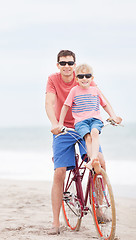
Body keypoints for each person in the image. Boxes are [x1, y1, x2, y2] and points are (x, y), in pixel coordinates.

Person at [45, 50, 121, 235]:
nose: (67, 66)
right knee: (59, 172)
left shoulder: (82, 76)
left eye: (70, 62)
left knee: (99, 161)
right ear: (58, 65)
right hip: (64, 130)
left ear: (74, 64)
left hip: (84, 127)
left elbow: (101, 98)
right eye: (63, 63)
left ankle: (99, 207)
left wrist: (113, 116)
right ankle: (56, 222)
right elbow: (49, 103)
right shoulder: (53, 79)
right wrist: (56, 124)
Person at [58, 63, 120, 174]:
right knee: (88, 137)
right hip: (81, 121)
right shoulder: (74, 91)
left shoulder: (95, 90)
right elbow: (65, 107)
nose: (84, 78)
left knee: (95, 133)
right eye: (81, 76)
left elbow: (104, 105)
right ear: (76, 79)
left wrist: (113, 116)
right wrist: (60, 123)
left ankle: (93, 160)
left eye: (87, 76)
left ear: (92, 78)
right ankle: (92, 160)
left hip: (95, 119)